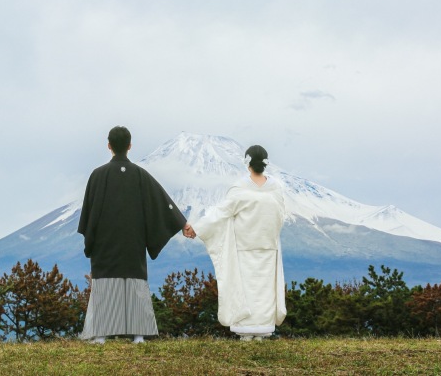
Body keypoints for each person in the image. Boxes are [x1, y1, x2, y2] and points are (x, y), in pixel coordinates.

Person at [78, 126, 193, 344]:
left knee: (105, 283)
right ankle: (139, 335)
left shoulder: (98, 175)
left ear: (108, 146)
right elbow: (162, 201)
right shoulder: (140, 175)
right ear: (130, 146)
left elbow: (88, 213)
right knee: (134, 282)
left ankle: (101, 335)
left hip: (104, 242)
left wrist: (90, 238)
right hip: (133, 241)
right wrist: (182, 222)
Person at [186, 145, 287, 341]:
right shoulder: (276, 190)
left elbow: (220, 213)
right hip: (268, 247)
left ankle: (246, 331)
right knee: (264, 291)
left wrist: (197, 227)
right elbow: (280, 216)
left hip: (244, 247)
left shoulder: (240, 189)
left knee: (245, 288)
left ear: (247, 163)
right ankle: (263, 329)